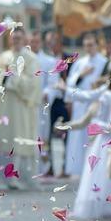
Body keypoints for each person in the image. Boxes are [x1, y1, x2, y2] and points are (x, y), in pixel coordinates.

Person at [59, 59, 111, 219]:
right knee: (99, 174)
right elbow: (86, 96)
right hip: (103, 139)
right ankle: (100, 204)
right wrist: (67, 90)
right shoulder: (104, 92)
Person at [0, 27, 42, 190]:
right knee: (4, 138)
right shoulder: (3, 57)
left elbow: (33, 83)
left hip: (20, 107)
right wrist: (2, 77)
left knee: (19, 138)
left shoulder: (31, 58)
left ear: (25, 40)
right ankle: (1, 176)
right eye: (14, 38)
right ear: (9, 40)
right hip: (4, 106)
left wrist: (13, 76)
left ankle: (21, 177)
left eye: (19, 38)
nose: (16, 41)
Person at [64, 33, 108, 177]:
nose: (89, 48)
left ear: (97, 45)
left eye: (91, 45)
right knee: (78, 137)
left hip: (96, 103)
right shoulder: (79, 63)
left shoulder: (104, 62)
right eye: (86, 45)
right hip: (80, 104)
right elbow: (70, 83)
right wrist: (81, 75)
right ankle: (77, 168)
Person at [30, 30, 58, 175]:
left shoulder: (49, 61)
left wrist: (47, 93)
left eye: (36, 42)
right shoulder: (22, 60)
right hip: (25, 105)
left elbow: (53, 83)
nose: (33, 44)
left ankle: (42, 168)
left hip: (41, 105)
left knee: (41, 135)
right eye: (31, 42)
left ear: (40, 43)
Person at [44, 30, 70, 177]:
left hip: (64, 100)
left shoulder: (69, 59)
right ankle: (50, 166)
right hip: (50, 102)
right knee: (47, 133)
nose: (52, 45)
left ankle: (66, 167)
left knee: (67, 133)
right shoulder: (46, 59)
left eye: (54, 42)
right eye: (49, 42)